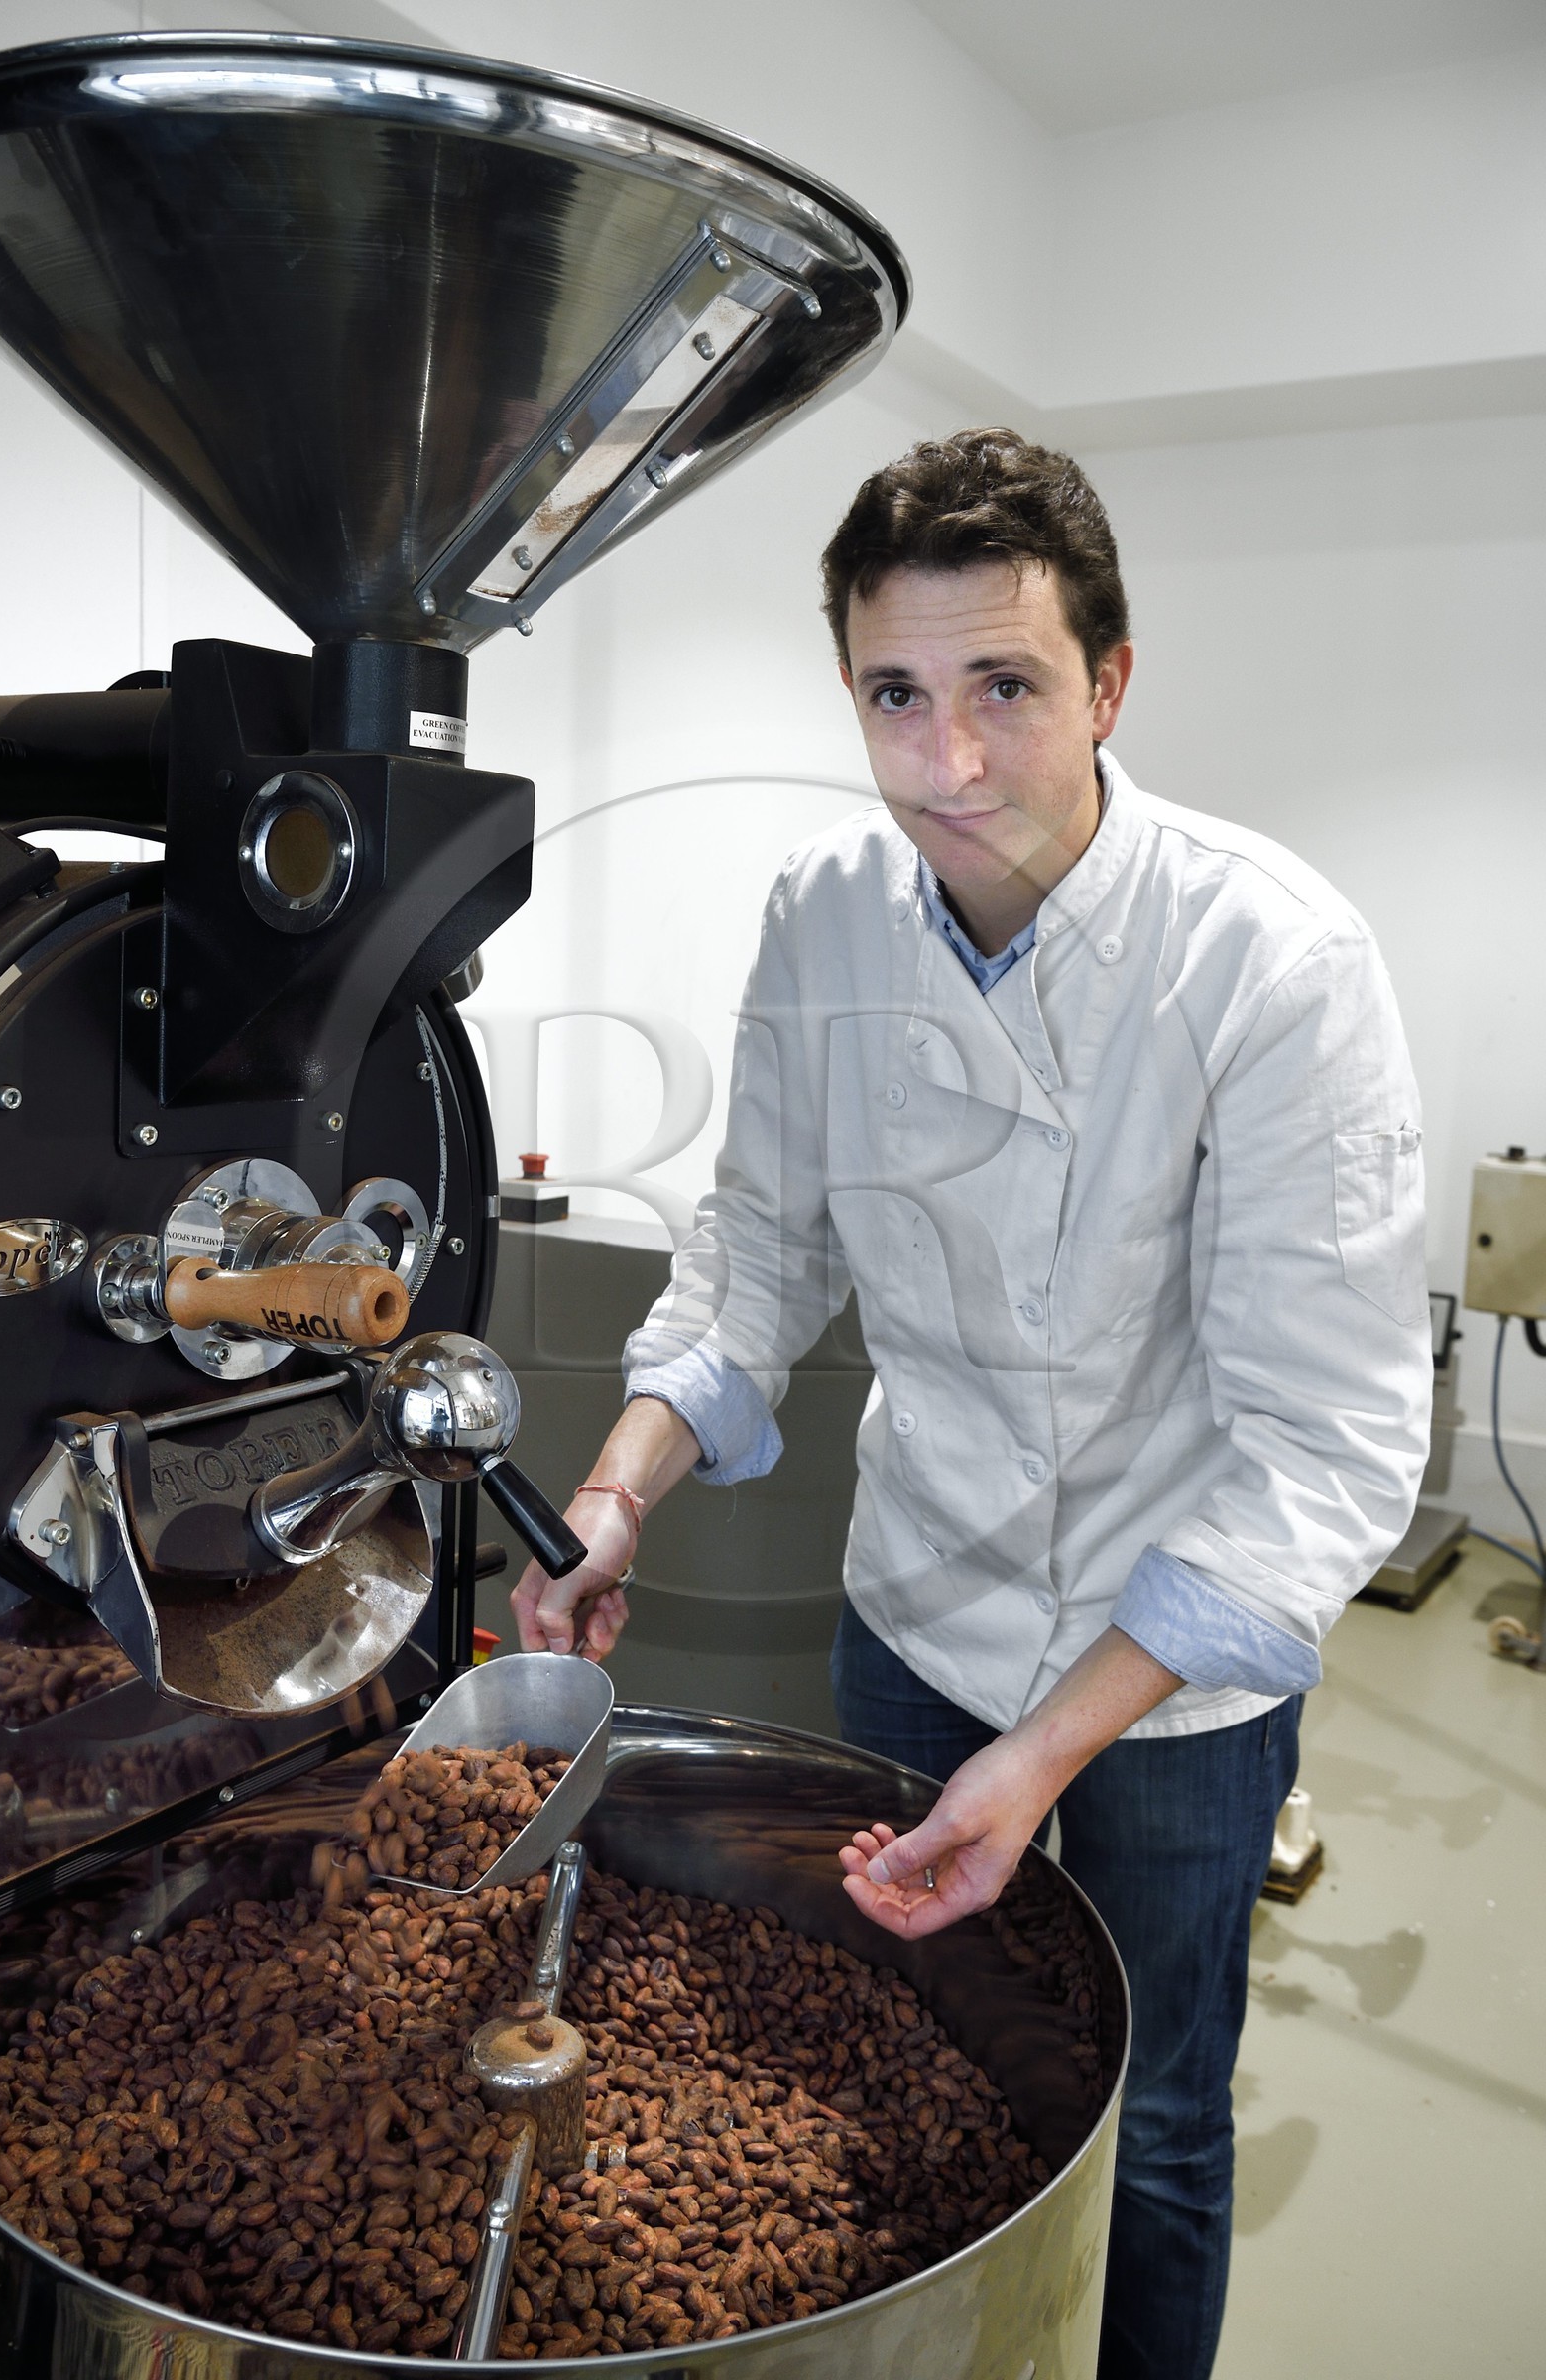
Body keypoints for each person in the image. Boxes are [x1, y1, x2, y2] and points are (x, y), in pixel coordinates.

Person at [509, 429, 1431, 2378]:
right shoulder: (823, 918)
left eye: (1000, 688)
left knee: (1159, 2118)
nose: (943, 764)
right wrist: (620, 1485)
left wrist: (1049, 1756)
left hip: (1171, 1687)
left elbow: (1324, 1450)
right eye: (891, 697)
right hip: (910, 1627)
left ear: (1107, 680)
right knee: (909, 2061)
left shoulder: (1269, 962)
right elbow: (753, 1258)